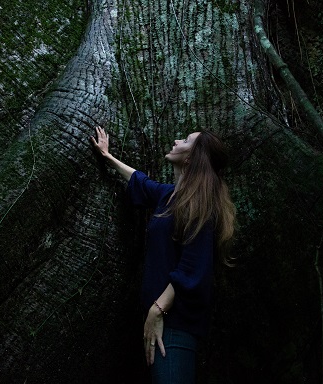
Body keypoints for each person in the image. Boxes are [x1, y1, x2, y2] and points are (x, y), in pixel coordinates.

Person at [90, 126, 235, 384]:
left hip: (175, 324)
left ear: (191, 158)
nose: (177, 139)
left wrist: (157, 311)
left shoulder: (200, 204)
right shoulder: (170, 195)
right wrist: (107, 156)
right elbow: (141, 182)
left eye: (185, 140)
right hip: (160, 321)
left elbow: (193, 269)